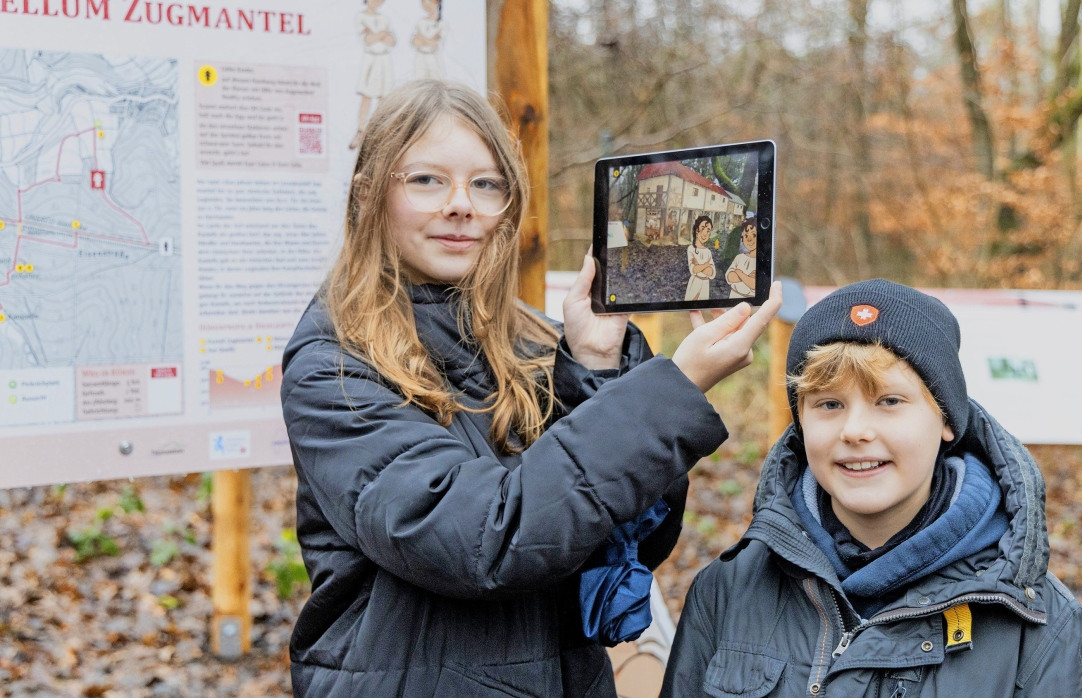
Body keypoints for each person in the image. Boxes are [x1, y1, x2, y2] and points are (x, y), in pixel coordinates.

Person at [280, 80, 782, 697]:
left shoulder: (540, 342)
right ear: (368, 196)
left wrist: (595, 368)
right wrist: (675, 387)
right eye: (426, 180)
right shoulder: (333, 363)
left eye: (485, 183)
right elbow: (481, 542)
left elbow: (634, 542)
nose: (461, 204)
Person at [661, 279, 1082, 697]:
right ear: (800, 423)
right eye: (829, 403)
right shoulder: (728, 591)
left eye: (889, 401)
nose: (855, 430)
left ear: (945, 418)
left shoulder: (1038, 624)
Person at [350, 0, 395, 150]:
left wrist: (377, 34)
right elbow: (367, 39)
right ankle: (360, 131)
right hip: (371, 59)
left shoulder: (385, 18)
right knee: (366, 96)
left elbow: (391, 40)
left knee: (384, 98)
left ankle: (381, 134)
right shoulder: (360, 17)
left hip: (384, 59)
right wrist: (381, 34)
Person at [725, 217, 758, 299]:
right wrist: (747, 277)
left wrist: (739, 272)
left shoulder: (761, 262)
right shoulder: (739, 258)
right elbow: (729, 277)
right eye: (746, 235)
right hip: (733, 296)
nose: (749, 239)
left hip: (750, 301)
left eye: (754, 235)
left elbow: (754, 284)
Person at [685, 214, 715, 301]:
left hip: (705, 284)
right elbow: (693, 270)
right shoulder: (691, 249)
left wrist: (699, 265)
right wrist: (706, 265)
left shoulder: (708, 252)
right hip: (695, 282)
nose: (705, 233)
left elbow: (712, 273)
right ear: (696, 231)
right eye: (702, 229)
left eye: (708, 230)